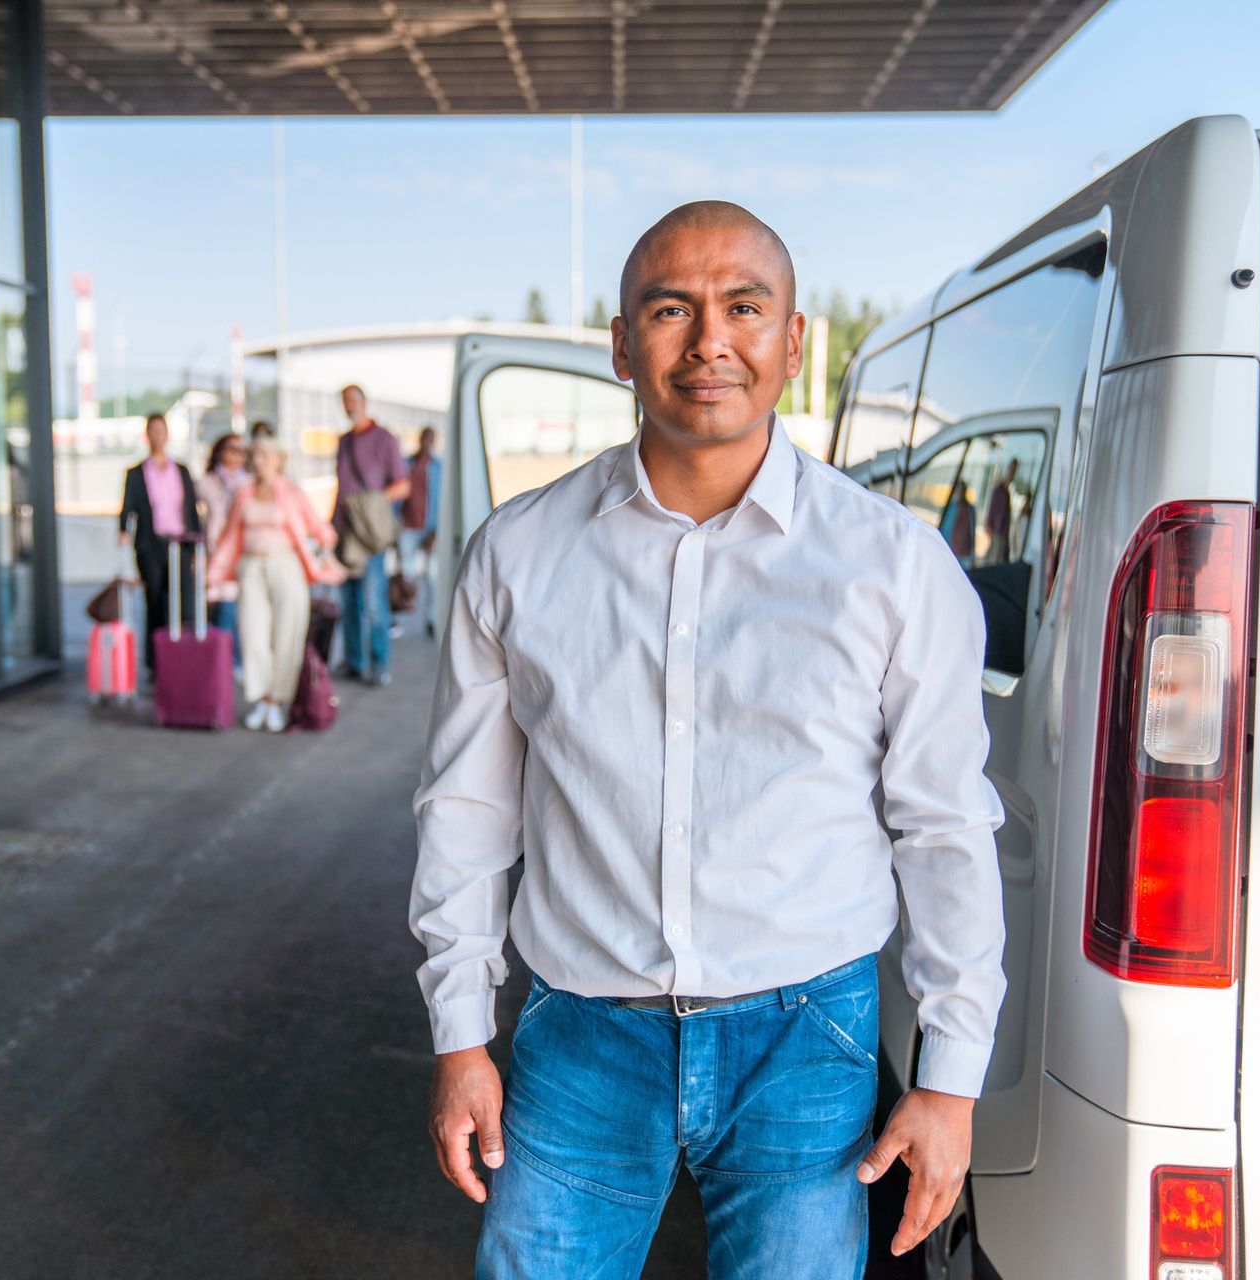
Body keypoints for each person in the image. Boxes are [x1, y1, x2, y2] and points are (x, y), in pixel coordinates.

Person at [410, 201, 1006, 1279]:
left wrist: (950, 1079)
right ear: (620, 343)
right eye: (670, 308)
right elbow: (467, 810)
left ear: (793, 341)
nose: (709, 341)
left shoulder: (893, 565)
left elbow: (945, 825)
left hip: (806, 1036)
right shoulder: (520, 553)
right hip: (582, 1033)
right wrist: (461, 1032)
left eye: (743, 306)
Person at [209, 438, 339, 731]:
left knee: (286, 635)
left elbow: (321, 530)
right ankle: (261, 697)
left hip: (286, 566)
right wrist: (215, 570)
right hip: (251, 566)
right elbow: (230, 534)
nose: (258, 461)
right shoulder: (243, 493)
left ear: (279, 460)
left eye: (265, 456)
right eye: (255, 456)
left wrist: (325, 556)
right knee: (253, 633)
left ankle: (277, 700)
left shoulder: (292, 493)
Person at [330, 384, 408, 687]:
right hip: (344, 532)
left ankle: (379, 663)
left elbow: (401, 486)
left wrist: (368, 505)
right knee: (348, 603)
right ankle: (353, 661)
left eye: (354, 399)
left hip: (369, 533)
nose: (350, 405)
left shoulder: (384, 438)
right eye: (345, 400)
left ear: (364, 402)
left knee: (374, 603)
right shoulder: (344, 441)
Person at [117, 413, 200, 681]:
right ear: (147, 435)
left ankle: (182, 658)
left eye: (161, 430)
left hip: (180, 544)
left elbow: (192, 510)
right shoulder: (136, 473)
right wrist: (122, 532)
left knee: (183, 601)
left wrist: (197, 545)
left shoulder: (182, 470)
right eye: (152, 430)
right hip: (150, 546)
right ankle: (156, 665)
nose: (157, 435)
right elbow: (127, 507)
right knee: (155, 602)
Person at [196, 432, 249, 647]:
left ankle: (231, 658)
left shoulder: (249, 483)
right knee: (219, 604)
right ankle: (221, 657)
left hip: (242, 551)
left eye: (241, 451)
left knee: (238, 606)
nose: (237, 456)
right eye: (232, 449)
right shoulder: (205, 483)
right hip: (215, 551)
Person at [395, 425, 443, 639]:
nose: (427, 443)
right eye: (425, 438)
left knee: (432, 576)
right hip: (407, 527)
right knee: (407, 575)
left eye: (431, 440)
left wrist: (437, 530)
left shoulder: (439, 467)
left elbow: (443, 499)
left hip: (430, 528)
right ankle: (400, 620)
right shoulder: (407, 464)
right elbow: (398, 496)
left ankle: (431, 618)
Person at [983, 457, 1019, 564]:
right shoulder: (998, 491)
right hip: (996, 533)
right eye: (1012, 470)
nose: (1013, 473)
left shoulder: (1007, 494)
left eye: (1015, 471)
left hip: (1002, 536)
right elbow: (991, 513)